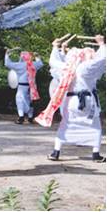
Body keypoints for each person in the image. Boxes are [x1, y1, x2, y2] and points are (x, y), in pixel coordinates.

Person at [36, 35, 106, 163]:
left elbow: (53, 61)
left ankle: (56, 152)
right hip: (86, 102)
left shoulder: (67, 67)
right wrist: (101, 44)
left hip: (69, 102)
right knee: (95, 126)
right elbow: (102, 59)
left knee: (65, 125)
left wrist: (55, 47)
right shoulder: (85, 68)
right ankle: (96, 154)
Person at [5, 50, 43, 124]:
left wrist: (7, 55)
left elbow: (7, 64)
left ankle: (21, 117)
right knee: (30, 101)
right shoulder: (34, 64)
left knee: (20, 100)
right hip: (32, 86)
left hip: (22, 86)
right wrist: (37, 57)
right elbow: (40, 64)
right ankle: (30, 117)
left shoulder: (20, 65)